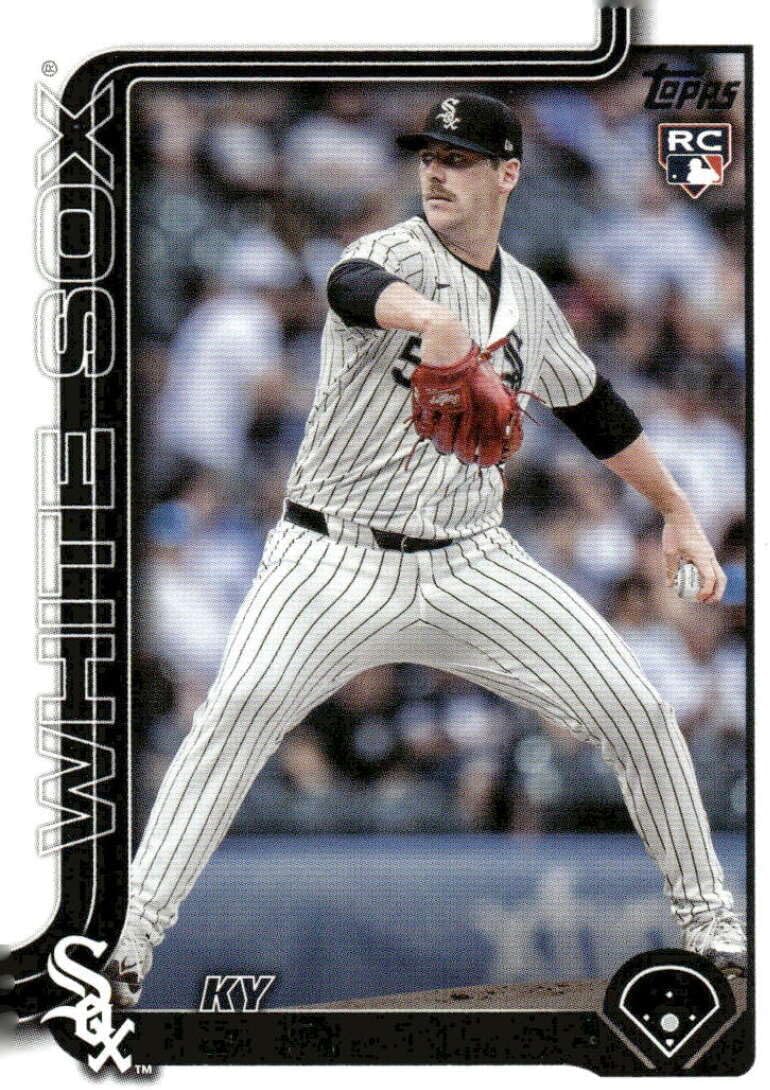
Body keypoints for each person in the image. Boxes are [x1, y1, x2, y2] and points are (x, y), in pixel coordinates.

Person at [108, 93, 745, 1007]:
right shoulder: (394, 255)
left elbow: (596, 410)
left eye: (460, 158)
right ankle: (125, 945)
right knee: (233, 718)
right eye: (430, 156)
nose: (438, 172)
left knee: (638, 712)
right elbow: (349, 284)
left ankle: (714, 933)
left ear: (509, 174)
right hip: (332, 560)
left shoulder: (527, 299)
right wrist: (431, 323)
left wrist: (676, 508)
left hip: (470, 562)